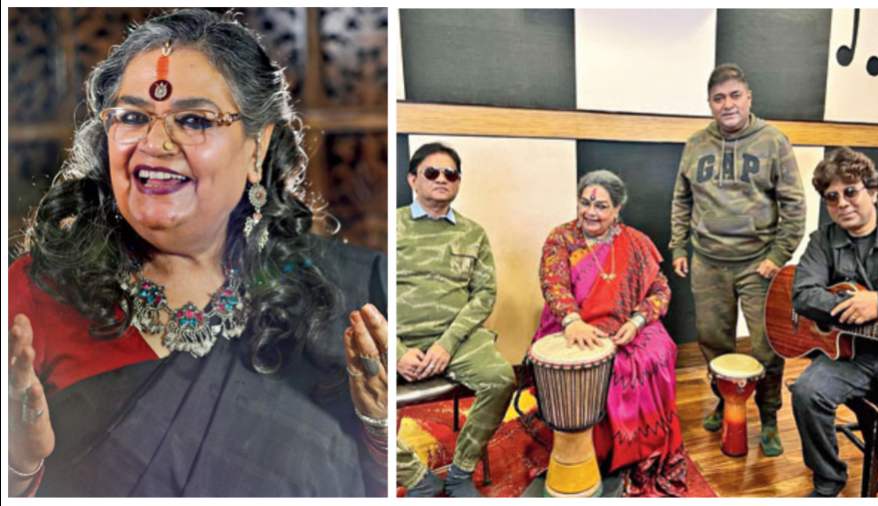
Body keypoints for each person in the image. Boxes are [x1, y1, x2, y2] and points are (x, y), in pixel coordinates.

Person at [7, 9, 387, 497]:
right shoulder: (30, 301)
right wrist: (19, 468)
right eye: (132, 117)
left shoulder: (347, 295)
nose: (156, 143)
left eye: (192, 119)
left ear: (257, 146)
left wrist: (379, 428)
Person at [669, 63, 806, 456]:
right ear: (709, 104)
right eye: (718, 98)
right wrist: (679, 247)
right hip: (708, 261)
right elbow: (682, 199)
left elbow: (794, 205)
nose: (727, 104)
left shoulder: (773, 141)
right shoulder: (695, 144)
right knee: (714, 341)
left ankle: (767, 417)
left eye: (734, 95)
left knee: (767, 346)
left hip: (757, 263)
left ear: (748, 98)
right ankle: (723, 399)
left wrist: (778, 255)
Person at [534, 170, 686, 497]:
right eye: (585, 203)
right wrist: (572, 320)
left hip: (626, 326)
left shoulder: (635, 241)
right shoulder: (561, 238)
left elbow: (660, 290)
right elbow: (553, 284)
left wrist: (637, 322)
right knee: (603, 365)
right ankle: (594, 455)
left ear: (617, 209)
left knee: (658, 351)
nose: (591, 212)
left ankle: (642, 454)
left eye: (601, 206)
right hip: (571, 324)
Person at [395, 142, 515, 497]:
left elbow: (484, 295)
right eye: (432, 172)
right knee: (347, 391)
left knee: (501, 379)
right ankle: (419, 479)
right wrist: (395, 350)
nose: (442, 179)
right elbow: (368, 294)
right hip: (396, 337)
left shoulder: (472, 233)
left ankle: (461, 472)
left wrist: (447, 344)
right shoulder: (391, 225)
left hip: (456, 338)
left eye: (451, 174)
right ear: (413, 179)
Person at [789, 148, 878, 497]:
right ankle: (829, 478)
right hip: (851, 354)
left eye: (851, 191)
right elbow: (802, 295)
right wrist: (850, 304)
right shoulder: (823, 240)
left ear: (873, 191)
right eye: (832, 197)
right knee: (806, 392)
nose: (842, 203)